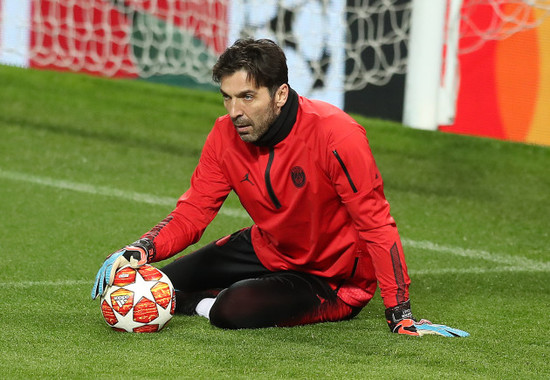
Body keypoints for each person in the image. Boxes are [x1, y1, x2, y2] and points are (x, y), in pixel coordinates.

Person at [92, 38, 468, 337]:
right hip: (267, 247)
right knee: (159, 282)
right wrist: (144, 247)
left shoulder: (337, 135)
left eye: (247, 97)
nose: (234, 111)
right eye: (227, 97)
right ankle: (194, 294)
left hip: (332, 277)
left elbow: (376, 223)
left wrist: (399, 312)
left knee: (231, 310)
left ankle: (207, 301)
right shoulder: (225, 135)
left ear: (281, 94)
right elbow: (195, 210)